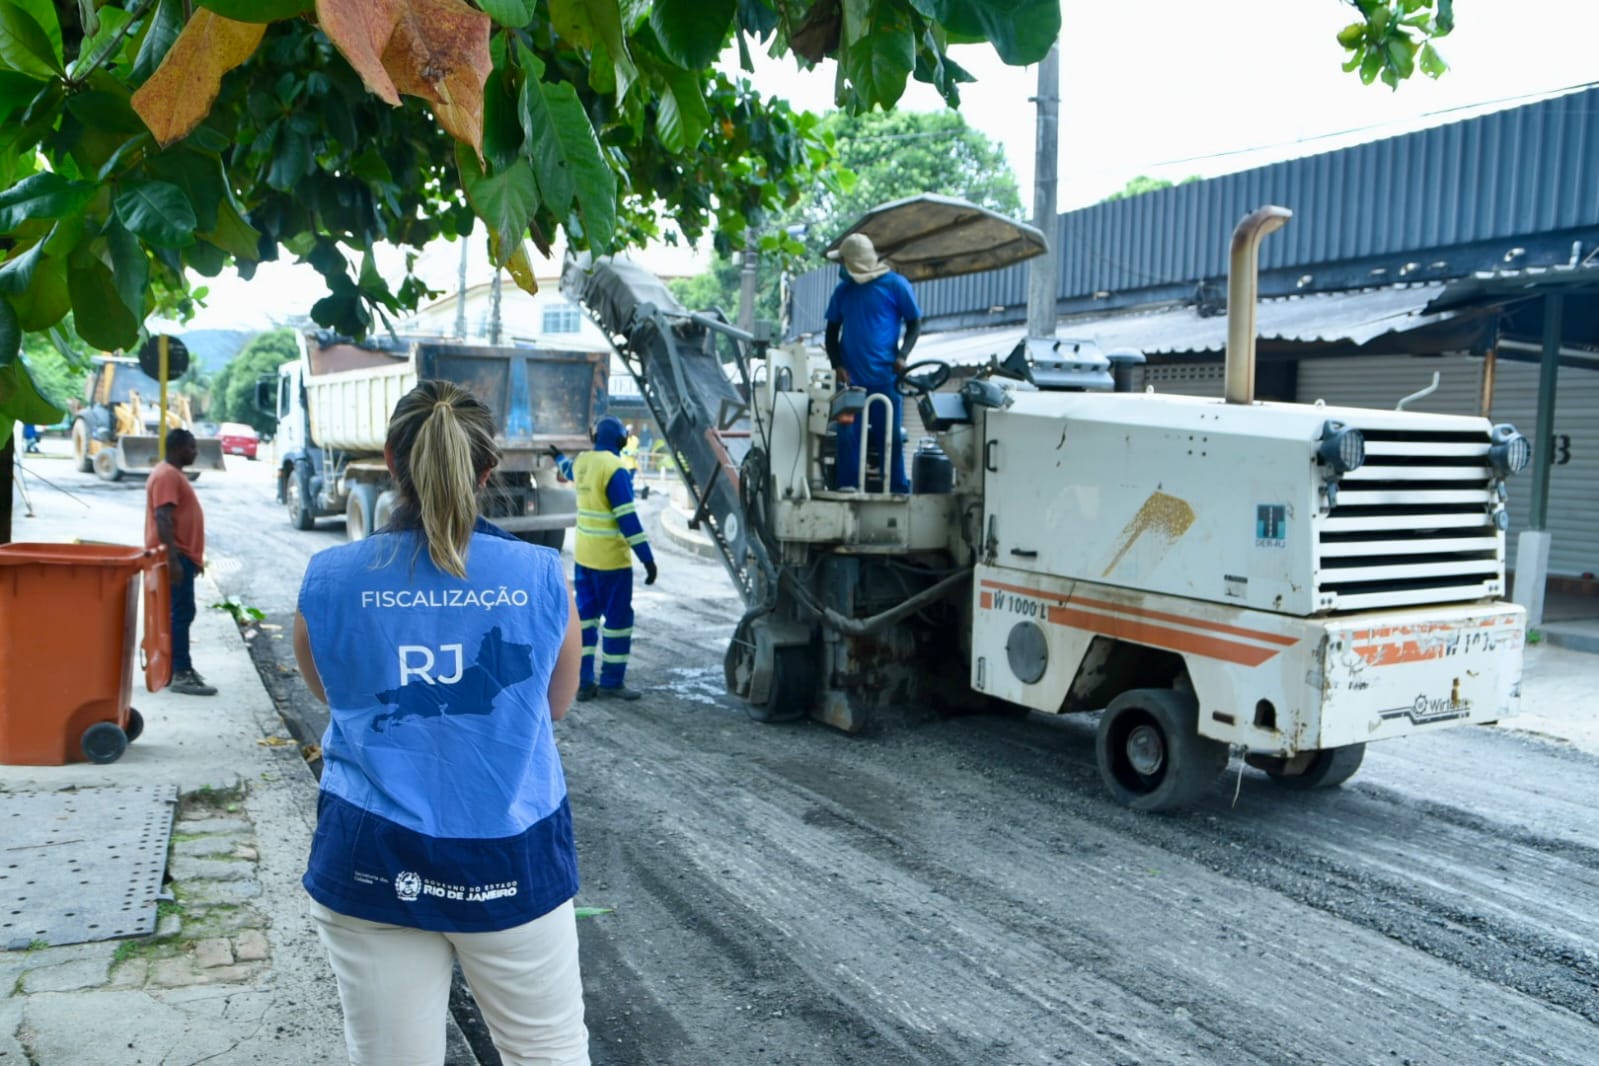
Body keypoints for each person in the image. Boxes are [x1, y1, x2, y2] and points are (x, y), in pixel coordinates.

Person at [291, 380, 590, 1066]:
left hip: (370, 862)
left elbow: (338, 696)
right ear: (487, 471)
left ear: (391, 462)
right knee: (547, 1053)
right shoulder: (541, 575)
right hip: (510, 858)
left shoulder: (330, 578)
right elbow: (553, 704)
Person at [551, 416, 656, 701]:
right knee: (618, 622)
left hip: (584, 559)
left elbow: (568, 470)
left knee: (586, 620)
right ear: (621, 441)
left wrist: (557, 456)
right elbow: (627, 519)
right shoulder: (615, 469)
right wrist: (647, 559)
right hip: (612, 563)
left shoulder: (582, 462)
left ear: (595, 438)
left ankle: (583, 683)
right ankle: (611, 681)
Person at [823, 232, 922, 494]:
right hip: (850, 380)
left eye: (844, 262)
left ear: (853, 264)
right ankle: (848, 486)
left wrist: (902, 356)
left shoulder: (895, 285)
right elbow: (831, 333)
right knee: (847, 434)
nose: (841, 267)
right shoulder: (843, 291)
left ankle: (897, 489)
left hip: (886, 378)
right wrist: (837, 364)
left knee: (890, 436)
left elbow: (914, 324)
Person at [145, 428, 216, 696]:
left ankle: (175, 668)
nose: (195, 452)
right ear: (177, 448)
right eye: (191, 447)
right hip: (175, 558)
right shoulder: (167, 475)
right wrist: (173, 559)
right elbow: (163, 517)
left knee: (179, 613)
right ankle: (181, 672)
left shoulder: (171, 474)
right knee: (181, 613)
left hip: (182, 557)